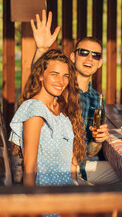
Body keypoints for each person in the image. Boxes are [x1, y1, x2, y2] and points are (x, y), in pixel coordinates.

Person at [30, 10, 121, 185]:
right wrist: (41, 49)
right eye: (83, 52)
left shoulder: (97, 99)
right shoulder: (60, 87)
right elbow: (37, 84)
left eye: (96, 55)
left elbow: (91, 151)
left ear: (100, 63)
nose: (89, 58)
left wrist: (98, 140)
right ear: (73, 56)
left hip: (83, 164)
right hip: (58, 168)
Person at [9, 50, 85, 186]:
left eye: (65, 76)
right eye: (54, 74)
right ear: (40, 76)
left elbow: (71, 161)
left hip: (68, 188)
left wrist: (74, 190)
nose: (61, 81)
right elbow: (29, 167)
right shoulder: (35, 110)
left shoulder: (61, 106)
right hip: (47, 193)